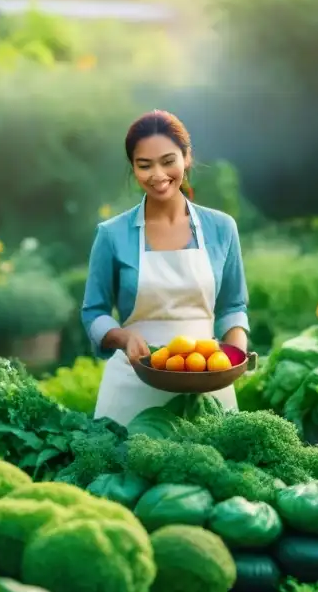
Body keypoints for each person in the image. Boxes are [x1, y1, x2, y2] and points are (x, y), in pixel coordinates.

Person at [82, 110, 250, 426]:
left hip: (208, 382)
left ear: (187, 158)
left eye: (168, 161)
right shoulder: (112, 234)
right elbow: (94, 312)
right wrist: (122, 338)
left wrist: (234, 356)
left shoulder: (221, 228)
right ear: (133, 168)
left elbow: (233, 305)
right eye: (145, 165)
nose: (158, 175)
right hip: (133, 384)